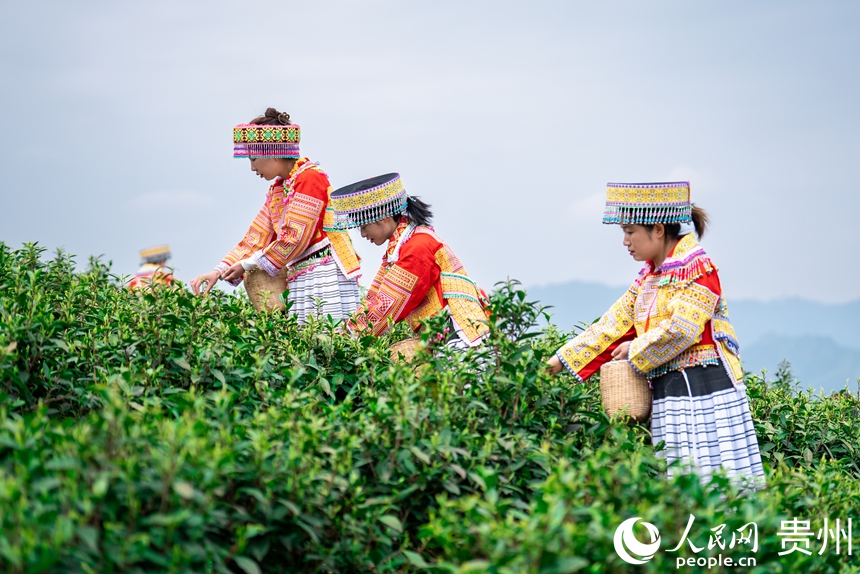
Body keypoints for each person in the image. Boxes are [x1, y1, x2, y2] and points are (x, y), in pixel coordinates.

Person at [547, 181, 764, 489]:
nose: (625, 241)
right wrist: (554, 363)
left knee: (717, 481)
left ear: (658, 230)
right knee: (683, 484)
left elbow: (682, 330)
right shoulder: (649, 278)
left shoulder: (697, 267)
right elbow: (610, 325)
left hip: (706, 388)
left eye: (630, 231)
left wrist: (634, 349)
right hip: (670, 392)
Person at [190, 108, 361, 323]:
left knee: (329, 342)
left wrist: (246, 264)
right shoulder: (279, 189)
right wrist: (219, 270)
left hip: (325, 275)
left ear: (272, 152)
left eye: (254, 159)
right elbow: (257, 235)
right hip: (302, 276)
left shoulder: (309, 178)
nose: (252, 167)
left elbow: (294, 238)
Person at [329, 173, 489, 350]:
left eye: (364, 226)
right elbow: (375, 297)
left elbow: (387, 305)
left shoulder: (417, 247)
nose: (363, 234)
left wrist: (346, 338)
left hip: (458, 334)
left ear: (382, 217)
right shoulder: (402, 245)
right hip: (443, 332)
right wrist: (347, 329)